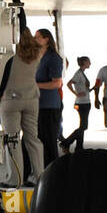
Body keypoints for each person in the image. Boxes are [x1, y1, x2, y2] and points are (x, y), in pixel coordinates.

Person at [0, 28, 43, 186]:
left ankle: (15, 180)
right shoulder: (36, 52)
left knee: (13, 140)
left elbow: (1, 77)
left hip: (11, 99)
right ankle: (39, 177)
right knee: (33, 139)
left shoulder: (9, 53)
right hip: (32, 98)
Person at [34, 28, 64, 166]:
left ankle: (53, 169)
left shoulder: (53, 58)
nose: (35, 39)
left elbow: (57, 83)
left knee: (49, 139)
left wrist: (36, 85)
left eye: (38, 37)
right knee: (38, 138)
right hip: (38, 104)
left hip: (49, 105)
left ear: (47, 39)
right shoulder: (36, 57)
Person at [59, 56, 93, 153]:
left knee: (82, 125)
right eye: (88, 61)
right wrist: (76, 93)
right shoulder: (78, 74)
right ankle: (66, 142)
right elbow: (69, 83)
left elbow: (83, 88)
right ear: (84, 62)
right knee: (83, 126)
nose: (90, 63)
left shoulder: (82, 73)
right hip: (81, 103)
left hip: (85, 101)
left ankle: (79, 147)